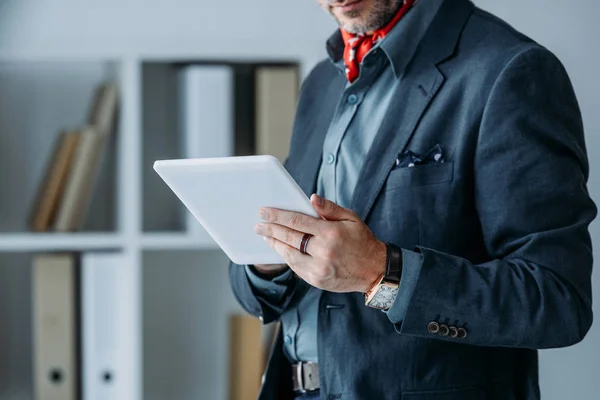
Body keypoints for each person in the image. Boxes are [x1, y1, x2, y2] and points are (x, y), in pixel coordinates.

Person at [229, 0, 597, 398]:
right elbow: (259, 295)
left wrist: (380, 272)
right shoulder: (322, 82)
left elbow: (558, 300)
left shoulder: (511, 70)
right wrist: (270, 264)